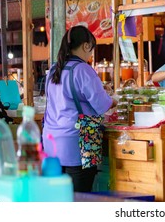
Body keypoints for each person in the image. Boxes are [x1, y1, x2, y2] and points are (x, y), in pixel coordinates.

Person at [43, 25, 117, 192]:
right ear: (85, 46)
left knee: (58, 199)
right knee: (79, 200)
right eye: (91, 49)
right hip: (78, 144)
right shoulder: (83, 69)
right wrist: (113, 100)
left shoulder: (54, 69)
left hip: (51, 143)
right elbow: (102, 105)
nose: (90, 54)